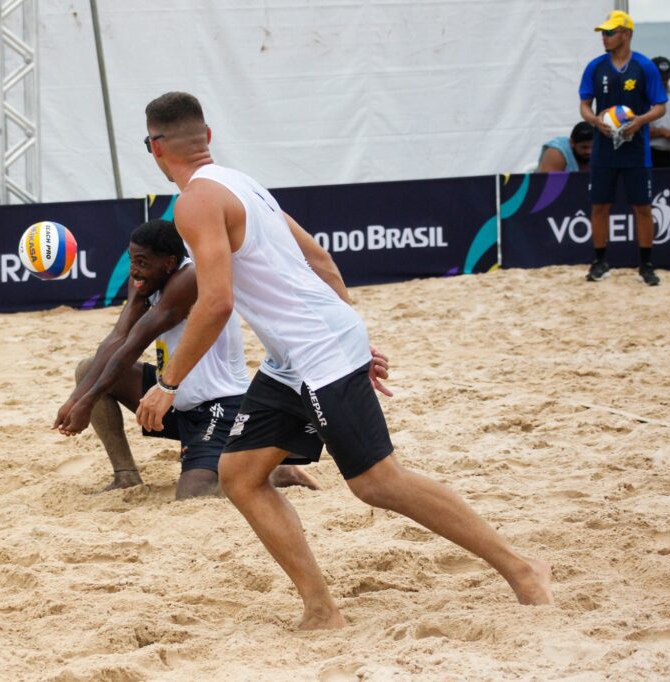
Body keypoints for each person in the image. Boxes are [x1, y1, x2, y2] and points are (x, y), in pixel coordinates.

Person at [135, 91, 553, 629]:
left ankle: (523, 570)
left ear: (154, 147)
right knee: (239, 473)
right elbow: (321, 260)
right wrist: (352, 333)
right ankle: (321, 609)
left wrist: (168, 382)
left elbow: (216, 303)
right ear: (208, 137)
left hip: (317, 351)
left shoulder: (193, 203)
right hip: (303, 353)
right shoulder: (243, 183)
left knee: (378, 482)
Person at [55, 219, 331, 499]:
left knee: (193, 495)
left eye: (142, 262)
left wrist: (87, 401)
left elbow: (134, 345)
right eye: (131, 260)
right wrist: (78, 397)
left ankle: (277, 472)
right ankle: (125, 476)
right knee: (87, 368)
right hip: (174, 399)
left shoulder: (189, 280)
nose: (134, 270)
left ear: (169, 262)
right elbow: (118, 337)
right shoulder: (145, 280)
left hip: (220, 405)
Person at [579, 10, 666, 286]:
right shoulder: (595, 67)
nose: (604, 38)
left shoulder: (644, 67)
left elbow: (660, 106)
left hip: (635, 148)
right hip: (603, 148)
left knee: (642, 207)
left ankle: (646, 265)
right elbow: (584, 105)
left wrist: (640, 121)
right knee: (599, 206)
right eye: (603, 33)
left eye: (609, 32)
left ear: (626, 34)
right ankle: (600, 261)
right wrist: (595, 120)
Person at [648, 56, 670, 169]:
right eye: (661, 78)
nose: (664, 81)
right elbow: (632, 130)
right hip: (652, 154)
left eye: (666, 78)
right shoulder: (640, 97)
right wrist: (660, 132)